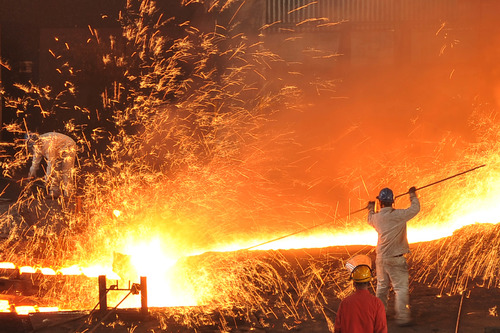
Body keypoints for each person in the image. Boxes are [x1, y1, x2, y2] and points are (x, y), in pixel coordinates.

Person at [367, 186, 420, 326]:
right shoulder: (399, 215)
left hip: (381, 258)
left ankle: (379, 316)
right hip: (395, 258)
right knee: (400, 288)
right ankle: (402, 318)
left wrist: (371, 208)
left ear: (380, 203)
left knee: (382, 286)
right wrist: (413, 195)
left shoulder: (376, 218)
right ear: (392, 202)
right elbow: (415, 209)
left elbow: (369, 218)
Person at [334, 258, 387, 333]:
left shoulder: (345, 303)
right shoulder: (377, 303)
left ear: (354, 283)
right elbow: (381, 329)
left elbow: (338, 329)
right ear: (369, 282)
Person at [26, 131, 77, 198]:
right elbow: (35, 163)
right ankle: (54, 192)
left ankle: (68, 194)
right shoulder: (36, 147)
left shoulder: (47, 144)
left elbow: (51, 162)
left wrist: (47, 178)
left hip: (68, 146)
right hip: (58, 149)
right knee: (56, 170)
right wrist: (31, 174)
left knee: (66, 171)